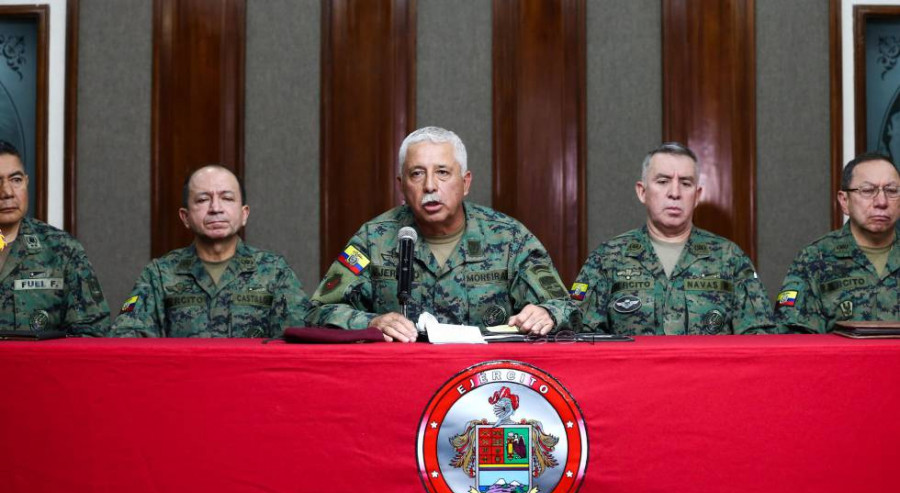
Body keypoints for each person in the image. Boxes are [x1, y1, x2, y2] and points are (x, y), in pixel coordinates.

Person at [307, 126, 578, 342]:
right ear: (402, 185)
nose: (429, 186)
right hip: (400, 383)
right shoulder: (373, 238)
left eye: (443, 173)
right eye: (417, 174)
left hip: (483, 387)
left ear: (465, 182)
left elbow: (567, 308)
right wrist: (371, 322)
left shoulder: (509, 238)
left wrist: (547, 313)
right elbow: (318, 312)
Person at [572, 142, 775, 335]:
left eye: (685, 183)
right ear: (642, 192)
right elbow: (580, 336)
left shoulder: (729, 258)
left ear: (697, 196)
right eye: (663, 181)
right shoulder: (608, 258)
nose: (675, 193)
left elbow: (760, 339)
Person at [111, 165, 310, 337]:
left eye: (227, 198)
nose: (216, 208)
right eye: (203, 199)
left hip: (250, 380)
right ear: (185, 217)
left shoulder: (274, 272)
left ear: (244, 214)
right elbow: (127, 336)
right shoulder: (160, 274)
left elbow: (299, 337)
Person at [776, 153, 900, 333]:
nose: (881, 202)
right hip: (840, 362)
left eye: (892, 191)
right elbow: (792, 338)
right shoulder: (815, 259)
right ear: (844, 201)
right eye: (867, 190)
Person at [0, 140, 110, 335]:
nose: (7, 192)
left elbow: (92, 330)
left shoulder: (62, 249)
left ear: (26, 181)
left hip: (41, 365)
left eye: (16, 180)